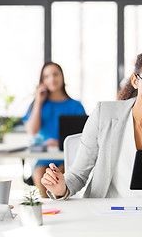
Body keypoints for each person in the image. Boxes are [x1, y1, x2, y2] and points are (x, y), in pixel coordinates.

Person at [41, 46, 142, 211]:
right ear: (136, 81)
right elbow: (78, 175)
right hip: (106, 213)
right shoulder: (103, 114)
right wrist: (61, 188)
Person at [22, 61, 86, 198]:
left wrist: (59, 143)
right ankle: (48, 212)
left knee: (60, 178)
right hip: (44, 159)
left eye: (55, 74)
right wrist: (38, 101)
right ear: (42, 81)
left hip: (66, 158)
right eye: (47, 76)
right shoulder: (38, 104)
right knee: (40, 175)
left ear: (62, 77)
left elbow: (84, 136)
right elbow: (32, 130)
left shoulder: (75, 106)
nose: (52, 79)